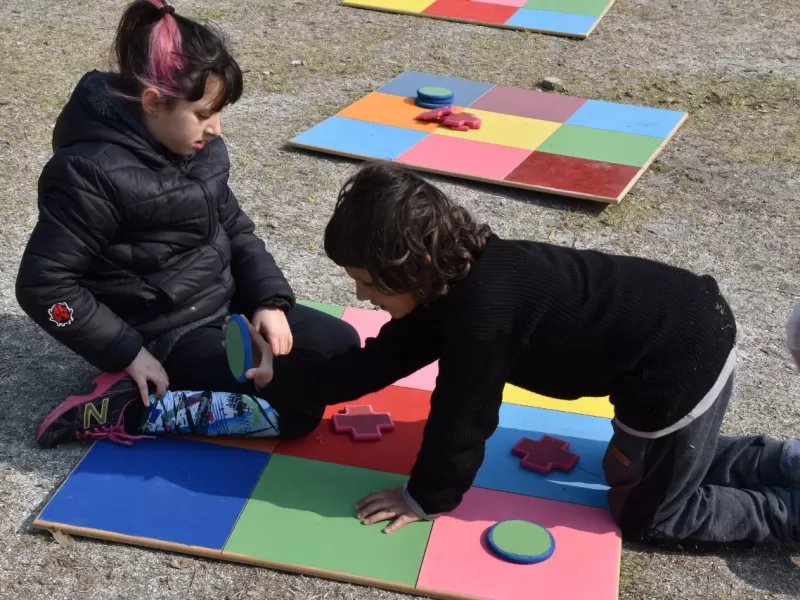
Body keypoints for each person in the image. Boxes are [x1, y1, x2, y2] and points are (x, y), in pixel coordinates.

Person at [238, 161, 800, 545]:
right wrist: (278, 377)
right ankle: (786, 464)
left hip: (680, 353)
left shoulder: (481, 318)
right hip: (662, 334)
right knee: (627, 468)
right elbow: (368, 366)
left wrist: (425, 498)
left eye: (370, 284)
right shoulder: (447, 281)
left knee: (651, 514)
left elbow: (464, 416)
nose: (360, 296)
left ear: (416, 267)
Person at [17, 0, 359, 449]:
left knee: (342, 347)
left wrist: (268, 301)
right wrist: (128, 351)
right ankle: (134, 409)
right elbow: (45, 286)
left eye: (219, 112)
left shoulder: (197, 149)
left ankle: (208, 370)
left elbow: (234, 227)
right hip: (164, 332)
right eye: (203, 114)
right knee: (296, 410)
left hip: (227, 303)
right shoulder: (89, 173)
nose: (215, 128)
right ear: (154, 102)